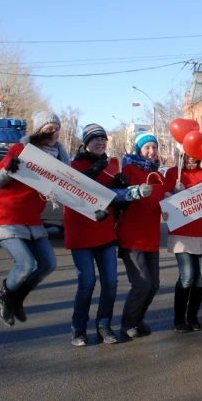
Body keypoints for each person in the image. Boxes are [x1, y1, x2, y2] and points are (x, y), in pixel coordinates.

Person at [65, 124, 151, 346]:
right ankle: (79, 329)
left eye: (103, 138)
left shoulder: (111, 166)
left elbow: (115, 201)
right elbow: (73, 193)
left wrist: (122, 190)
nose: (100, 142)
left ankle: (104, 325)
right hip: (81, 234)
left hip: (104, 234)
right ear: (86, 143)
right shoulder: (73, 165)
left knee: (111, 283)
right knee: (86, 282)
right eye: (95, 139)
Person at [0, 110, 70, 327]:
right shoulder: (20, 150)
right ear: (38, 130)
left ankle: (18, 298)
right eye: (48, 128)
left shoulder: (60, 159)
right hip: (6, 216)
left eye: (56, 129)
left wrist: (94, 208)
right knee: (25, 264)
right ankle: (5, 296)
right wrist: (8, 170)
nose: (53, 133)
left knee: (48, 264)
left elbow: (71, 190)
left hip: (32, 220)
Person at [115, 131, 167, 340]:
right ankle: (127, 323)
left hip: (151, 237)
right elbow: (119, 197)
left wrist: (170, 201)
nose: (151, 151)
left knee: (154, 284)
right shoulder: (129, 170)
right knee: (142, 283)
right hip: (132, 236)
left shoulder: (159, 175)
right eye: (147, 147)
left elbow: (161, 202)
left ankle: (138, 319)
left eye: (154, 147)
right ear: (139, 150)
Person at [163, 154, 202, 333]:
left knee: (201, 278)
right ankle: (179, 319)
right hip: (182, 232)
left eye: (194, 155)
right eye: (186, 155)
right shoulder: (174, 173)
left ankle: (193, 316)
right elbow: (164, 201)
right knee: (187, 277)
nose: (190, 159)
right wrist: (172, 194)